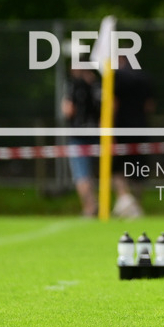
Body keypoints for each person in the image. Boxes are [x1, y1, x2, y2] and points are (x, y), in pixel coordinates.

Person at [111, 55, 155, 219]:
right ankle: (136, 205)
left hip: (120, 128)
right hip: (141, 127)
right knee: (138, 167)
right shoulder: (145, 78)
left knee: (117, 168)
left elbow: (113, 104)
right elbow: (149, 106)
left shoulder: (115, 78)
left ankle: (124, 201)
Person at [61, 63, 101, 217]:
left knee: (81, 174)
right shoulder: (98, 85)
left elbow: (68, 110)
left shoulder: (73, 85)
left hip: (78, 134)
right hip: (98, 134)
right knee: (98, 173)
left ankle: (90, 208)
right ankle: (99, 205)